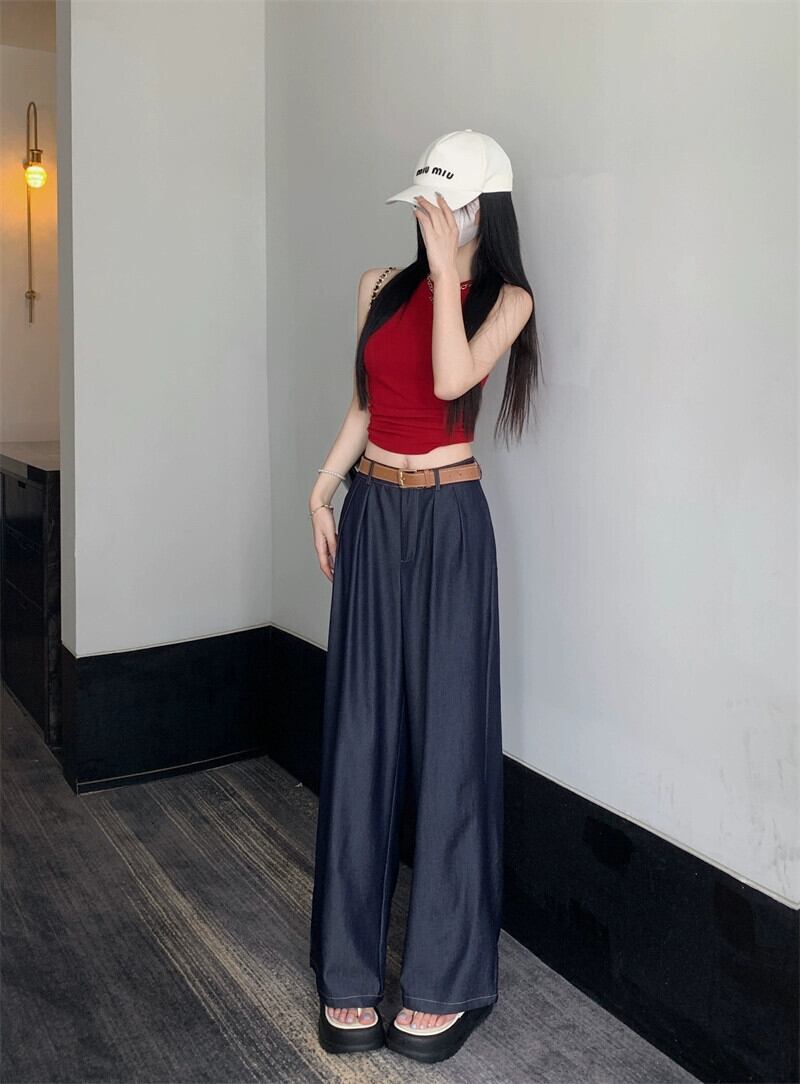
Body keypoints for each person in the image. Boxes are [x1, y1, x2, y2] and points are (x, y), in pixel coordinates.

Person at [307, 129, 541, 1064]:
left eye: (444, 209)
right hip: (372, 510)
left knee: (449, 743)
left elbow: (449, 381)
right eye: (422, 208)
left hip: (449, 521)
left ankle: (448, 980)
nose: (428, 222)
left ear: (482, 210)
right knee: (359, 736)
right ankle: (347, 971)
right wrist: (321, 491)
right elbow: (367, 405)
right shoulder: (380, 286)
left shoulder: (508, 300)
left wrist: (448, 273)